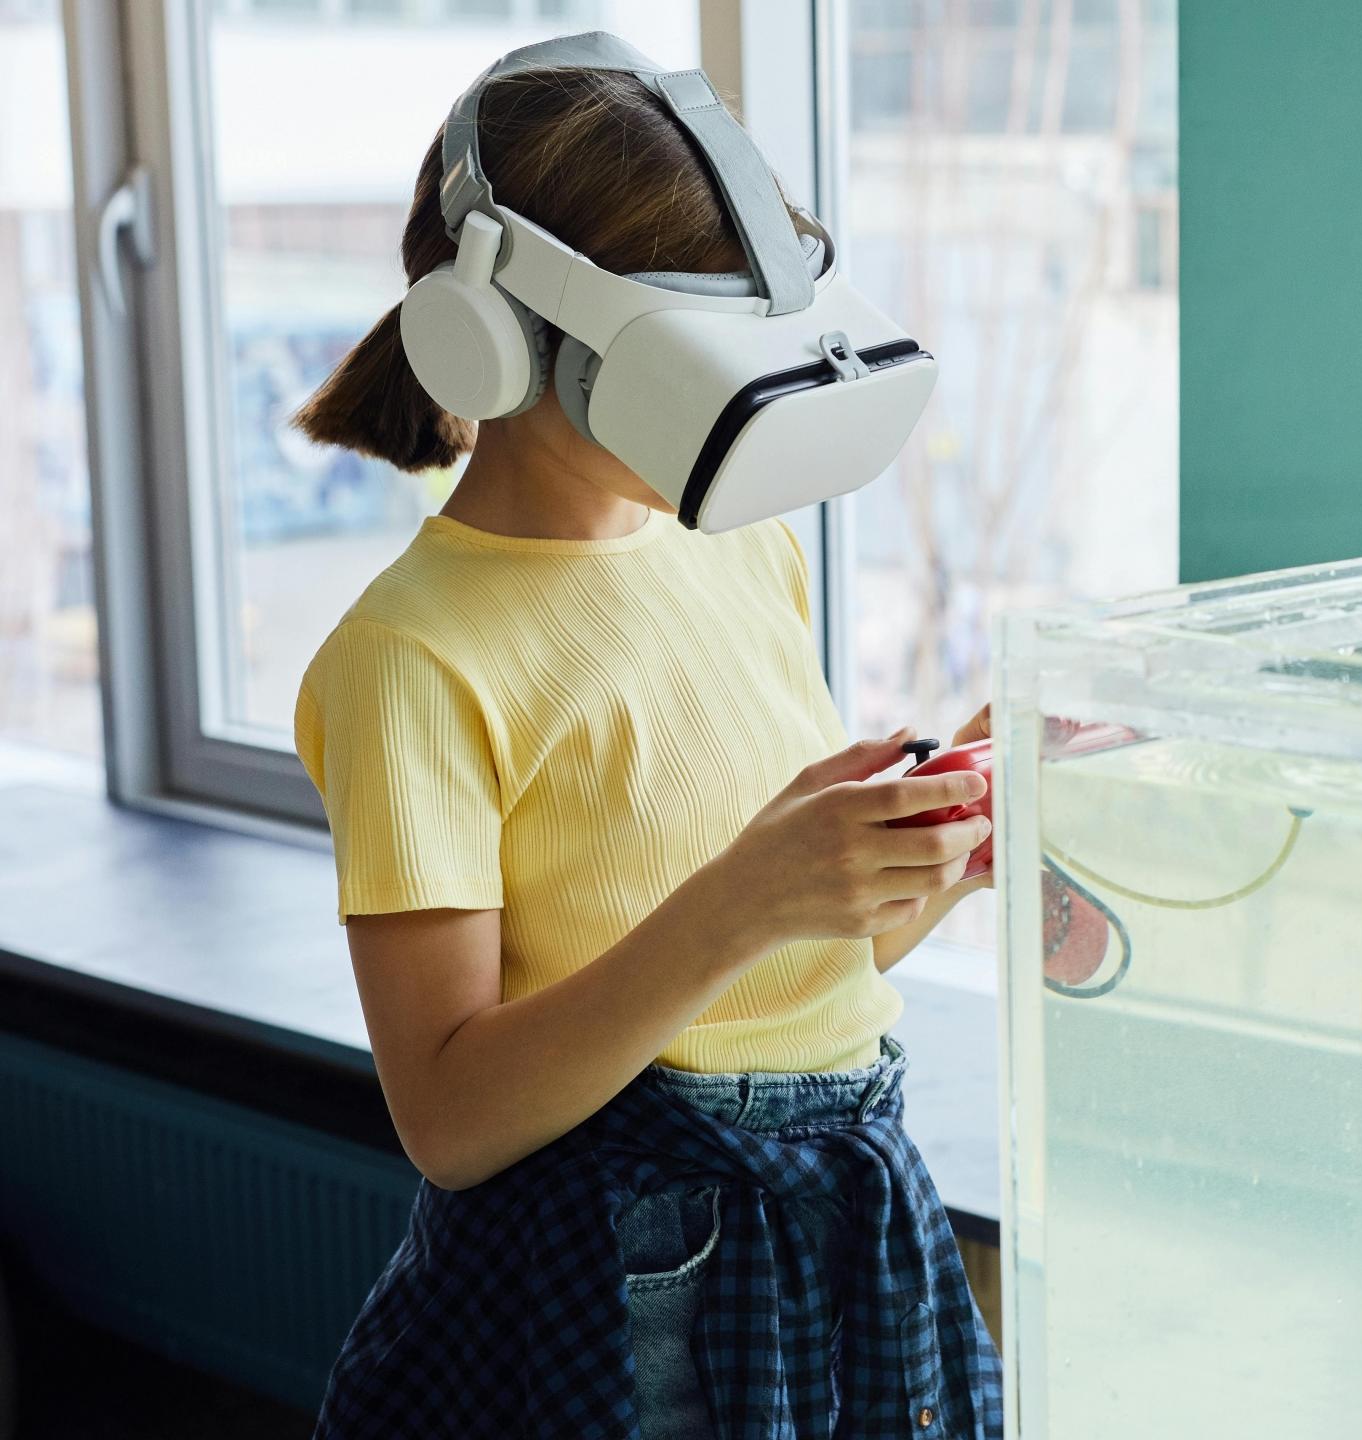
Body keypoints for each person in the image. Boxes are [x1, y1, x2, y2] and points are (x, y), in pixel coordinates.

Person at [288, 51, 1000, 1439]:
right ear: (494, 338)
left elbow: (781, 983)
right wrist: (747, 897)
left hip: (851, 1223)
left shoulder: (743, 554)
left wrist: (934, 854)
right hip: (624, 1278)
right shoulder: (411, 658)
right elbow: (452, 1119)